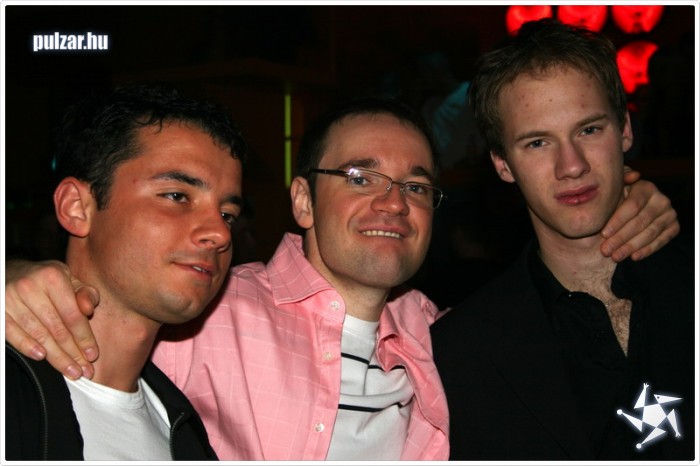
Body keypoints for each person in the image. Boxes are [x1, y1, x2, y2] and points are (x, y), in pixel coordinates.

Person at [4, 96, 681, 460]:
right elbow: (110, 298)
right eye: (360, 177)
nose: (393, 202)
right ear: (302, 201)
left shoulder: (447, 337)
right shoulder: (209, 306)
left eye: (416, 186)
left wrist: (624, 207)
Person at [430, 19, 694, 461]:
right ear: (502, 164)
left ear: (625, 130)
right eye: (537, 142)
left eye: (589, 130)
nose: (571, 165)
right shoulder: (462, 350)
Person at [4, 84, 247, 460]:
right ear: (76, 207)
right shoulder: (13, 394)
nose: (220, 233)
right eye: (177, 196)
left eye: (228, 215)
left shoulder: (187, 433)